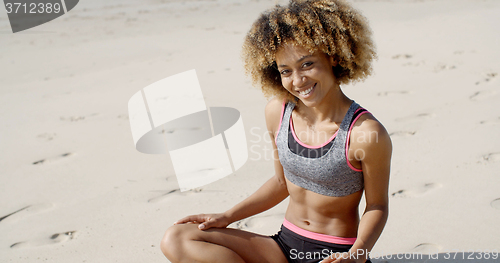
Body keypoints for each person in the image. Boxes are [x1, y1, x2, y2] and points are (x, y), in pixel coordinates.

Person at [160, 0, 392, 262]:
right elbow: (282, 182)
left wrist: (357, 254)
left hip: (336, 255)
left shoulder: (365, 133)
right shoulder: (278, 112)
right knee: (178, 237)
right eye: (286, 71)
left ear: (334, 56)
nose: (298, 80)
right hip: (284, 245)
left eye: (307, 64)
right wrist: (228, 216)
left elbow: (377, 206)